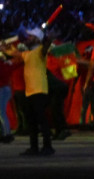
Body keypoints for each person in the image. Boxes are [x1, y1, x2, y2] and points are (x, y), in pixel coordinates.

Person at [19, 28, 56, 156]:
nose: (27, 38)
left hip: (39, 89)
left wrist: (49, 40)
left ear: (36, 39)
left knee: (41, 119)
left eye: (30, 36)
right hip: (29, 91)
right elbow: (13, 55)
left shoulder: (40, 51)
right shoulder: (27, 53)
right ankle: (34, 147)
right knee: (32, 121)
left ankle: (48, 146)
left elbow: (45, 48)